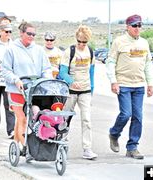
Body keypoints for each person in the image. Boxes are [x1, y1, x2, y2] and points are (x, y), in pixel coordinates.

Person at [106, 14, 153, 159]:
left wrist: (150, 83)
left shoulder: (144, 43)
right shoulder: (119, 42)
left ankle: (132, 147)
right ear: (127, 27)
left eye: (139, 25)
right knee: (126, 114)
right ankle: (114, 134)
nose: (137, 28)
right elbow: (110, 62)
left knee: (138, 117)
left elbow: (147, 64)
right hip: (124, 85)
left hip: (139, 85)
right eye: (134, 25)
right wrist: (113, 81)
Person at [2, 22, 52, 156]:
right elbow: (5, 70)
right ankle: (25, 147)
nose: (31, 36)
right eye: (29, 33)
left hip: (35, 91)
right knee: (22, 118)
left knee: (30, 118)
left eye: (34, 34)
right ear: (21, 33)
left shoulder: (39, 50)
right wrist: (16, 80)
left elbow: (46, 69)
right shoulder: (11, 49)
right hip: (16, 90)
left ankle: (18, 144)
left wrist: (46, 80)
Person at [59, 25, 98, 160]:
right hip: (71, 90)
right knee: (65, 118)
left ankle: (87, 149)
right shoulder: (69, 51)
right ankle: (61, 142)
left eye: (84, 42)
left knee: (86, 119)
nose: (81, 44)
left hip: (85, 90)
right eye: (79, 41)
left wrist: (92, 88)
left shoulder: (91, 52)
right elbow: (62, 72)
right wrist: (71, 81)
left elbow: (91, 72)